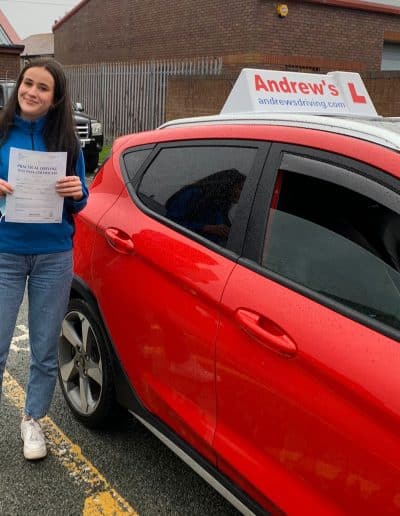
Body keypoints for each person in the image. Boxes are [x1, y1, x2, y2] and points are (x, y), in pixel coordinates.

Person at [0, 59, 88, 460]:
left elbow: (81, 198)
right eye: (27, 83)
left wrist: (77, 192)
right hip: (5, 252)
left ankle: (33, 419)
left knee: (44, 348)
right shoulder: (1, 132)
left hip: (53, 256)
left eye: (42, 87)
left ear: (55, 98)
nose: (31, 92)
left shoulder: (67, 142)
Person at [166, 169, 245, 244]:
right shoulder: (194, 193)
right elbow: (170, 222)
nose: (242, 193)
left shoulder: (220, 205)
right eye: (240, 188)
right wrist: (205, 227)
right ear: (227, 185)